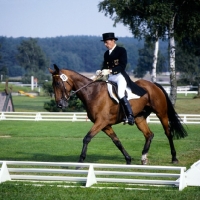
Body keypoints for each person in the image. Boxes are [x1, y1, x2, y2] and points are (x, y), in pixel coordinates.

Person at [97, 32, 135, 125]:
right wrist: (101, 71)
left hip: (120, 76)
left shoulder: (121, 50)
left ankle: (130, 115)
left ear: (113, 40)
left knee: (120, 93)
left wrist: (109, 71)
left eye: (107, 42)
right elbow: (105, 65)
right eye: (104, 43)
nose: (106, 45)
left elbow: (122, 66)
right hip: (111, 78)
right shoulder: (106, 54)